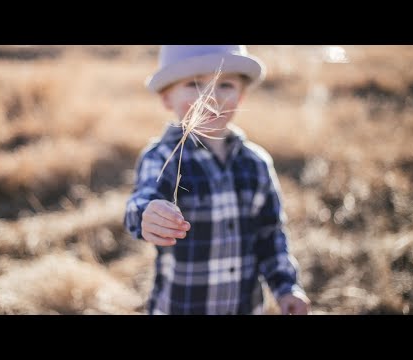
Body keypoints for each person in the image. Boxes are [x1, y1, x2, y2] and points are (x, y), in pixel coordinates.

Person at [124, 45, 311, 315]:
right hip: (181, 306)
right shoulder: (162, 157)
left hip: (244, 307)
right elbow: (139, 202)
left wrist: (286, 287)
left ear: (242, 96)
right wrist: (146, 215)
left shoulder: (256, 163)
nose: (211, 96)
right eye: (194, 84)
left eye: (225, 85)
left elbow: (270, 233)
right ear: (167, 97)